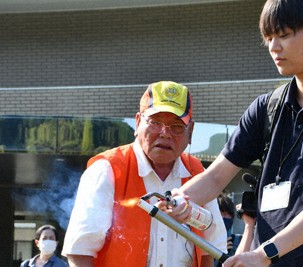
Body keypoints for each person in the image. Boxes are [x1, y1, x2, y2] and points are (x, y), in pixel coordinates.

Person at [169, 0, 303, 266]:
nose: (273, 47)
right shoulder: (266, 107)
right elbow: (215, 177)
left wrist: (264, 253)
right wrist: (178, 198)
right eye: (268, 38)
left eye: (284, 35)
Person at [62, 81, 227, 267]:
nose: (165, 133)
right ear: (138, 122)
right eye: (155, 122)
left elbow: (208, 250)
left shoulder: (198, 174)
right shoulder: (106, 170)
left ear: (191, 132)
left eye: (177, 126)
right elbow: (80, 251)